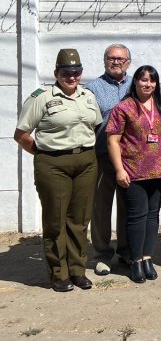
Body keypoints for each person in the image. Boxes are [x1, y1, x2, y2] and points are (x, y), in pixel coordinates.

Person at [14, 49, 102, 292]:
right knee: (55, 221)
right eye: (66, 72)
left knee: (80, 220)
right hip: (53, 164)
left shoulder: (87, 96)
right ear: (56, 73)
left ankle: (77, 270)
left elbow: (93, 126)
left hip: (85, 162)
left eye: (76, 72)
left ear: (81, 73)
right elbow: (21, 135)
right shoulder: (41, 97)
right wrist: (45, 154)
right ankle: (58, 274)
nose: (71, 77)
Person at [107, 65, 161, 283]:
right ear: (134, 81)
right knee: (136, 216)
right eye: (143, 80)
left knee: (153, 215)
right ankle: (135, 260)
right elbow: (113, 141)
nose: (148, 84)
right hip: (133, 172)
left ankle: (147, 258)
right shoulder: (124, 107)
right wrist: (119, 170)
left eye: (152, 80)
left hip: (160, 170)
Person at [86, 43, 132, 276]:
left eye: (120, 59)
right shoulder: (92, 88)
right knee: (101, 207)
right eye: (111, 58)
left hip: (131, 158)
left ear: (128, 63)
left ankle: (125, 251)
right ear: (105, 61)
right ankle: (102, 254)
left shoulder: (138, 84)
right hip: (102, 155)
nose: (116, 62)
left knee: (127, 206)